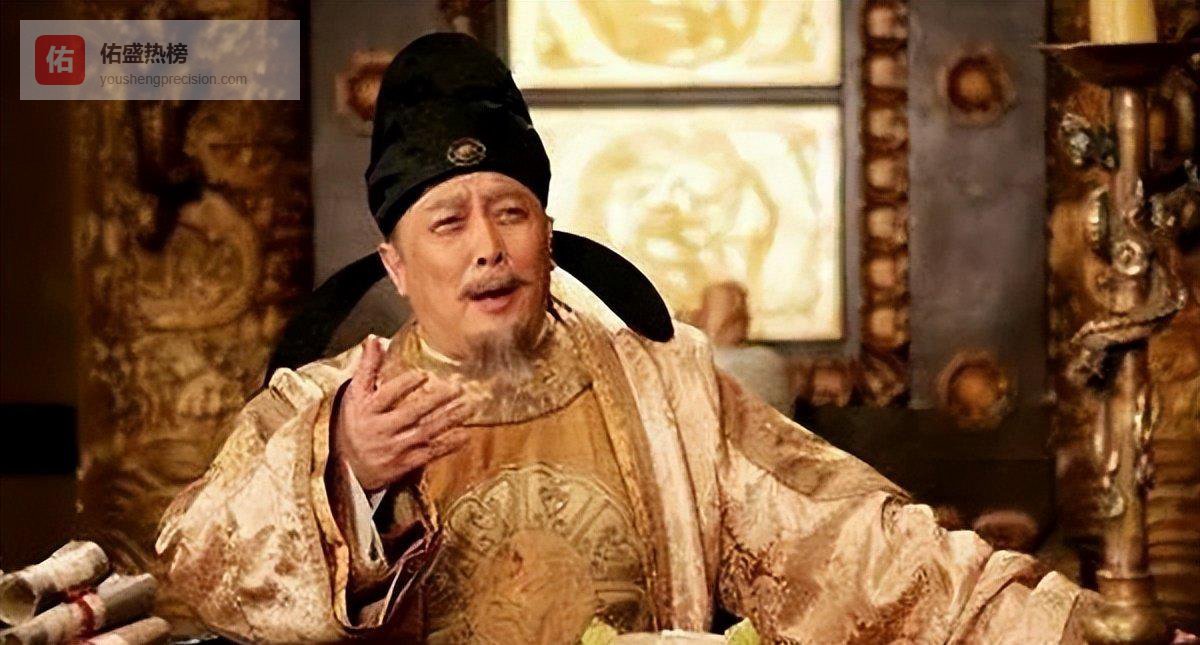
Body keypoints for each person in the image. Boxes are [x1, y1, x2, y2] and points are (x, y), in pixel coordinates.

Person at [156, 33, 1093, 644]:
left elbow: (857, 552)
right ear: (396, 265)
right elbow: (196, 563)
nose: (487, 248)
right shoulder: (321, 410)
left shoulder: (666, 391)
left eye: (510, 212)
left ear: (546, 234)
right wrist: (344, 471)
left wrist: (1069, 627)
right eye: (447, 222)